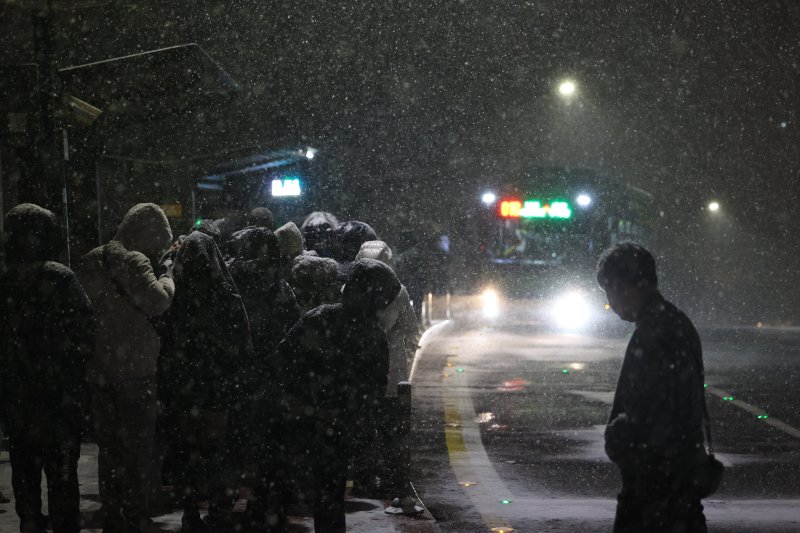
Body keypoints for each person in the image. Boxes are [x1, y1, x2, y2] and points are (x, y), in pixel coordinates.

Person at [277, 259, 398, 533]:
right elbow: (375, 389)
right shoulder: (373, 335)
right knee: (330, 493)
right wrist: (357, 419)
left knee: (285, 487)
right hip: (337, 425)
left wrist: (300, 400)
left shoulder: (320, 317)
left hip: (303, 418)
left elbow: (284, 357)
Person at [597, 242, 707, 533]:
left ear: (621, 285)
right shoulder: (677, 322)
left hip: (653, 489)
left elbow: (648, 413)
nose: (610, 303)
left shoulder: (653, 333)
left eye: (609, 292)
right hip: (682, 481)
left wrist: (618, 437)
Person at [79, 203, 175, 533]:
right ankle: (134, 513)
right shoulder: (135, 261)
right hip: (135, 371)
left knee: (110, 449)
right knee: (137, 449)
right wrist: (168, 275)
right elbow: (159, 302)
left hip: (101, 371)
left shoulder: (92, 259)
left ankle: (113, 511)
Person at [0, 204, 94, 533]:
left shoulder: (5, 280)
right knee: (62, 480)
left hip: (18, 399)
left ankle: (30, 524)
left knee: (25, 474)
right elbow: (86, 333)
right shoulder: (59, 277)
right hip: (58, 400)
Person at [158, 231, 253, 532]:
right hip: (217, 383)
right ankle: (219, 508)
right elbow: (243, 341)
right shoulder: (226, 293)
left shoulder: (178, 293)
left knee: (188, 450)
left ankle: (190, 513)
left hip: (186, 383)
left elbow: (166, 338)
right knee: (217, 450)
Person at [354, 241, 421, 496]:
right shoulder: (399, 292)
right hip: (392, 373)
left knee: (363, 428)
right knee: (392, 429)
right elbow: (411, 329)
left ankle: (365, 478)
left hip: (360, 372)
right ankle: (393, 479)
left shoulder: (350, 289)